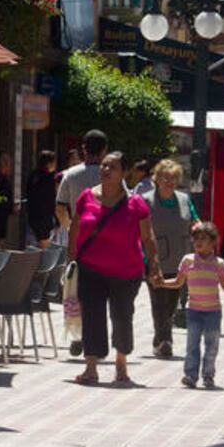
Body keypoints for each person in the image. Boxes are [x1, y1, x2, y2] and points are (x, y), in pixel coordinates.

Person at [70, 152, 162, 385]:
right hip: (90, 269)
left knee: (122, 316)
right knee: (92, 315)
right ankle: (91, 367)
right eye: (103, 165)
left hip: (126, 272)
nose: (105, 170)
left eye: (112, 167)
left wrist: (154, 264)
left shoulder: (135, 203)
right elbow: (74, 231)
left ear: (123, 173)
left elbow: (147, 237)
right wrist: (71, 261)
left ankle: (121, 365)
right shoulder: (86, 198)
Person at [160, 221, 224, 388]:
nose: (198, 242)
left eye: (203, 238)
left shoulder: (219, 263)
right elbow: (178, 282)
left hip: (213, 313)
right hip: (193, 312)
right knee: (192, 345)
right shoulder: (188, 261)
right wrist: (162, 283)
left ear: (213, 242)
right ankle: (191, 376)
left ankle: (208, 376)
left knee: (211, 347)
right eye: (196, 238)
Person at [141, 159, 199, 358]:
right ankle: (166, 340)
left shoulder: (184, 199)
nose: (170, 182)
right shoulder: (146, 200)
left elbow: (195, 220)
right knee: (158, 301)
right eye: (166, 177)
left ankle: (160, 338)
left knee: (172, 303)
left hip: (179, 258)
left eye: (174, 178)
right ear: (157, 179)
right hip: (154, 259)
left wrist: (198, 228)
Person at [56, 130, 108, 237]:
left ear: (84, 149)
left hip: (80, 236)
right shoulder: (113, 176)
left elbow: (60, 208)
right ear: (104, 150)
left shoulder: (70, 174)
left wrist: (70, 227)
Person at [25, 150, 57, 249]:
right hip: (44, 217)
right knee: (43, 249)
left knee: (31, 247)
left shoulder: (33, 175)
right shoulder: (50, 177)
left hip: (32, 215)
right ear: (49, 163)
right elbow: (52, 198)